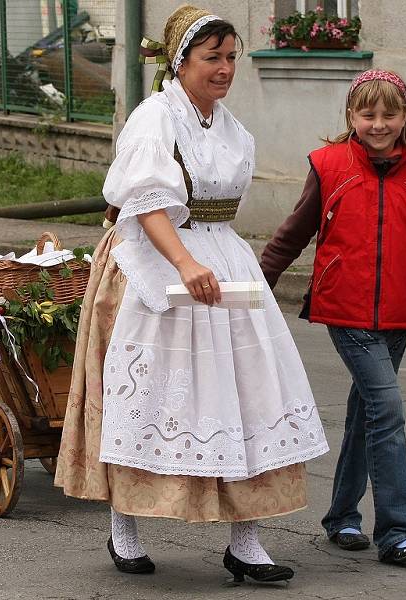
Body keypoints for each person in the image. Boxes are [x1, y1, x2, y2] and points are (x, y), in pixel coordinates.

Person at [55, 4, 328, 581]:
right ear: (181, 63)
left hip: (223, 257)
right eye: (213, 58)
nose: (225, 68)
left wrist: (210, 259)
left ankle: (247, 541)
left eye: (231, 57)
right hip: (156, 261)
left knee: (246, 392)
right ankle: (123, 527)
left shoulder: (229, 127)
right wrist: (183, 262)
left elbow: (218, 210)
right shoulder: (155, 118)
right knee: (150, 397)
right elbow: (146, 203)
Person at [260, 69, 406, 565]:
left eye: (389, 113)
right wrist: (256, 288)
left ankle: (342, 517)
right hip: (344, 311)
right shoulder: (329, 166)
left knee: (365, 416)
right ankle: (396, 531)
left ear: (405, 116)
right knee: (386, 409)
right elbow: (292, 234)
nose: (378, 123)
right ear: (351, 117)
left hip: (399, 313)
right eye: (367, 114)